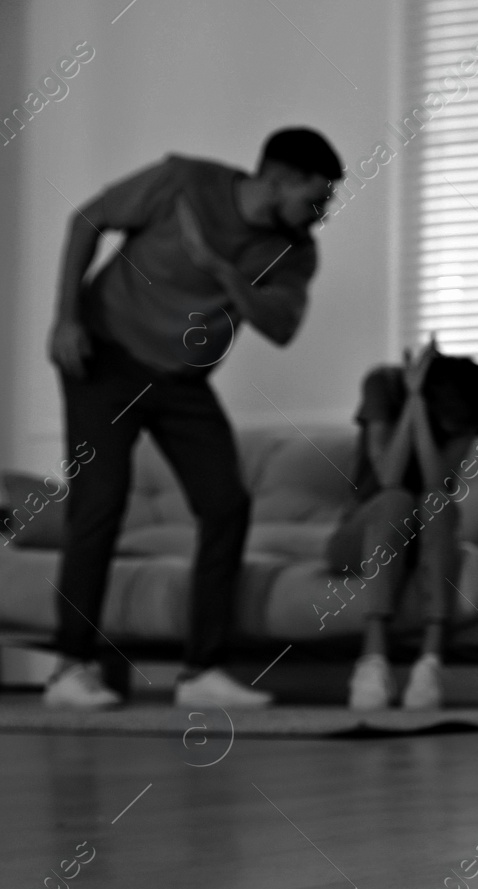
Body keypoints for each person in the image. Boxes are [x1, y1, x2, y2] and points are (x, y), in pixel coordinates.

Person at [44, 127, 343, 709]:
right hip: (104, 359)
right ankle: (69, 668)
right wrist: (65, 319)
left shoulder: (296, 251)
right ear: (278, 179)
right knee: (100, 502)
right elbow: (88, 220)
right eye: (316, 196)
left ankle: (201, 671)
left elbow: (281, 328)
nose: (322, 211)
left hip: (182, 381)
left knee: (226, 504)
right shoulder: (183, 180)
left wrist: (224, 270)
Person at [325, 336, 478, 710]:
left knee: (435, 502)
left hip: (423, 539)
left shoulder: (467, 416)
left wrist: (419, 409)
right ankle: (373, 661)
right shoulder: (382, 385)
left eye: (461, 426)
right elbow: (388, 474)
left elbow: (437, 482)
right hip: (362, 535)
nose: (456, 429)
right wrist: (414, 402)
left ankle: (430, 663)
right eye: (448, 421)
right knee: (396, 499)